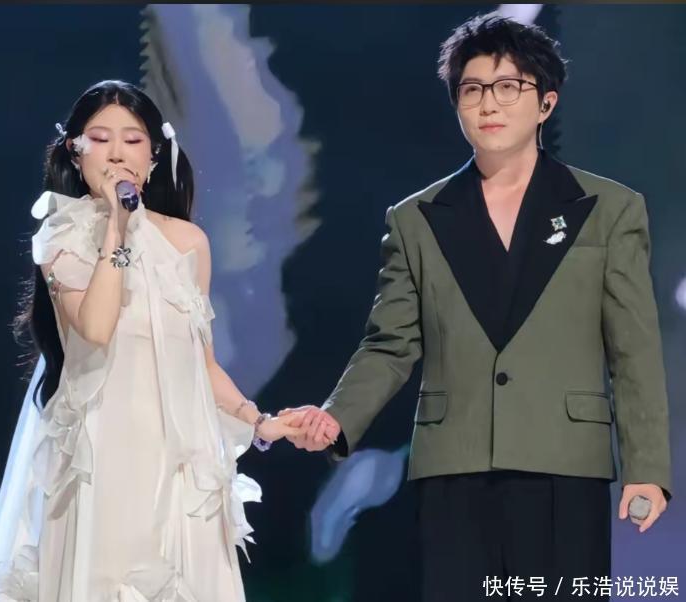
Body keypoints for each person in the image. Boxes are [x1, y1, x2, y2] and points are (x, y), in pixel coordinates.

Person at [282, 12, 672, 601]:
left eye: (507, 86)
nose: (488, 103)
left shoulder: (608, 210)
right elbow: (390, 344)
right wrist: (338, 418)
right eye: (472, 89)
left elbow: (633, 350)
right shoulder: (416, 219)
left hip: (564, 463)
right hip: (455, 465)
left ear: (545, 103)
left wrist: (647, 469)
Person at [0, 79, 303, 602]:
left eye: (132, 139)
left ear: (153, 156)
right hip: (101, 458)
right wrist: (117, 230)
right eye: (100, 138)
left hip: (179, 464)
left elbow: (200, 363)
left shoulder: (189, 241)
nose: (116, 153)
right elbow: (97, 328)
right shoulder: (60, 238)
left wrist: (259, 422)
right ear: (75, 151)